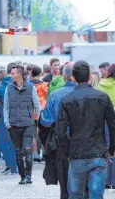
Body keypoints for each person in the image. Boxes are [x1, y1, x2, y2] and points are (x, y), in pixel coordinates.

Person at [57, 60, 115, 199]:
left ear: (73, 78)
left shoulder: (67, 100)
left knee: (75, 194)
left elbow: (60, 130)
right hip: (98, 152)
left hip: (76, 153)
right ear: (90, 77)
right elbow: (113, 124)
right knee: (96, 194)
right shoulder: (102, 97)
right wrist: (113, 148)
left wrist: (66, 150)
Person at [40, 63, 75, 199]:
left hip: (62, 141)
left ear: (64, 76)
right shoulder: (95, 95)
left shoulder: (55, 95)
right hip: (86, 142)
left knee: (64, 180)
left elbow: (46, 121)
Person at [4, 65, 41, 185]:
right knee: (18, 153)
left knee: (27, 150)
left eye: (13, 73)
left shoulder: (31, 88)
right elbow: (6, 106)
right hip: (13, 125)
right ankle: (22, 176)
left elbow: (37, 105)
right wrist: (7, 123)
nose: (11, 75)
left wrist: (37, 122)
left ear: (20, 74)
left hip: (28, 125)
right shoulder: (8, 88)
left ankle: (28, 176)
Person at [0, 62, 18, 176]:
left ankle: (10, 165)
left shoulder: (0, 86)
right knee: (14, 143)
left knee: (2, 142)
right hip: (17, 116)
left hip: (2, 117)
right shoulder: (22, 84)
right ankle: (14, 167)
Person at [29, 65, 48, 162]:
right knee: (44, 133)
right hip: (43, 111)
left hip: (31, 112)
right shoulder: (45, 85)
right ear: (40, 74)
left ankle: (35, 154)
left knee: (33, 135)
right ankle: (44, 154)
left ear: (31, 73)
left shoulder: (28, 85)